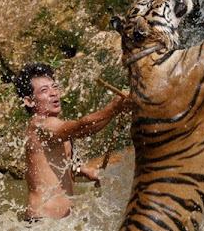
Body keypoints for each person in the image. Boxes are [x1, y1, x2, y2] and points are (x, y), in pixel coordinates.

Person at [14, 62, 131, 221]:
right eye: (44, 90)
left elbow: (61, 166)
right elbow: (82, 127)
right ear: (29, 101)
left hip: (59, 226)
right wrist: (114, 108)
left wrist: (84, 171)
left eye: (54, 87)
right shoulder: (40, 125)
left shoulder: (55, 127)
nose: (53, 93)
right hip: (41, 223)